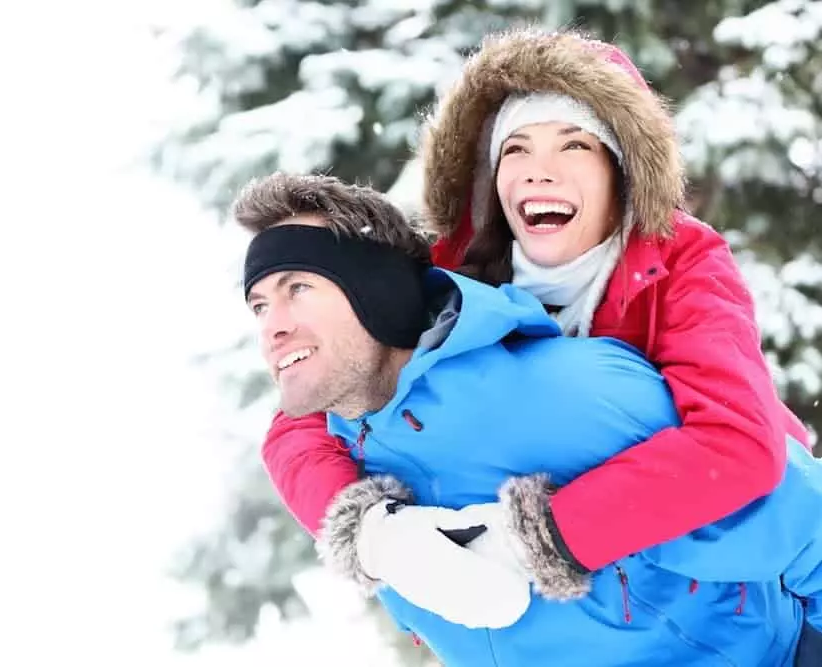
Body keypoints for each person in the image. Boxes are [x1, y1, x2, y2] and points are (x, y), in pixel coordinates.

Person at [258, 25, 811, 605]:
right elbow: (305, 414)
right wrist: (374, 534)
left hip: (751, 576)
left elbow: (737, 443)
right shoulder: (452, 278)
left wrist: (543, 536)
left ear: (620, 173)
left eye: (574, 145)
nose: (538, 171)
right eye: (516, 148)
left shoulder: (681, 261)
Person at [237, 171, 822, 666]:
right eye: (259, 304)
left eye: (299, 289)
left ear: (377, 292)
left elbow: (805, 523)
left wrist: (554, 534)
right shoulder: (354, 468)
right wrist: (371, 535)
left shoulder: (564, 394)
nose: (272, 325)